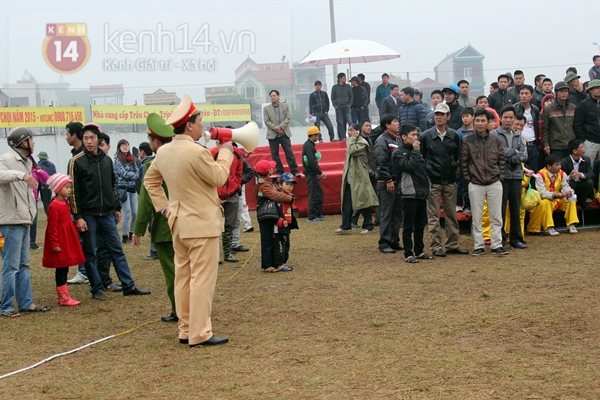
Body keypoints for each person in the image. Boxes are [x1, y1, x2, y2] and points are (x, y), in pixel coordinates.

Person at [145, 94, 232, 347]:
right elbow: (219, 177)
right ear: (190, 125)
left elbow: (150, 182)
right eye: (200, 121)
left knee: (183, 277)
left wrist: (166, 209)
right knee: (202, 280)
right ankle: (200, 333)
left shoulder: (163, 152)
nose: (203, 126)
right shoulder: (197, 152)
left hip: (179, 224)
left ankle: (185, 330)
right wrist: (226, 153)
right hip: (202, 225)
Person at [71, 123, 151, 300]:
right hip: (88, 215)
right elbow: (73, 191)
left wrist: (116, 207)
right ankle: (96, 288)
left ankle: (128, 285)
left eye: (92, 138)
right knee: (91, 253)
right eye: (85, 138)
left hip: (107, 214)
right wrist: (78, 216)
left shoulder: (106, 160)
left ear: (99, 139)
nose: (89, 142)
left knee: (117, 251)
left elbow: (112, 184)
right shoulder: (76, 161)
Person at [132, 113, 178, 323]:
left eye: (150, 140)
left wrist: (138, 229)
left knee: (172, 272)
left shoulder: (151, 165)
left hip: (165, 227)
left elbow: (146, 200)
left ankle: (179, 310)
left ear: (156, 142)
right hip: (189, 223)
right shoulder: (184, 158)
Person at [0, 127, 50, 317]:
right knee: (11, 265)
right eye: (31, 139)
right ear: (23, 142)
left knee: (24, 264)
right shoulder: (6, 159)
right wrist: (21, 175)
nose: (34, 142)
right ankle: (6, 307)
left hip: (23, 219)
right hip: (11, 220)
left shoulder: (27, 161)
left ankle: (25, 302)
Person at [420, 103, 468, 257]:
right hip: (432, 181)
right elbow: (422, 157)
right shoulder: (426, 135)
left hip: (450, 179)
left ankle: (452, 245)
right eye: (436, 114)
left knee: (451, 214)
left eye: (442, 114)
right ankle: (436, 246)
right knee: (433, 215)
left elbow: (457, 155)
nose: (438, 117)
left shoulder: (454, 135)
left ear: (448, 117)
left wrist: (454, 166)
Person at [460, 109, 508, 256]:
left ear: (489, 122)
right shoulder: (467, 140)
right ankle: (478, 245)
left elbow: (502, 160)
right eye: (478, 121)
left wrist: (500, 177)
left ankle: (497, 244)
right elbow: (463, 163)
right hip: (475, 183)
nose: (480, 123)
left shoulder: (496, 140)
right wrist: (469, 180)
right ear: (474, 121)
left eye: (483, 121)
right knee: (477, 216)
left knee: (496, 216)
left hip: (494, 182)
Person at [42, 173, 85, 306]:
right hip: (60, 240)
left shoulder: (65, 202)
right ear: (58, 189)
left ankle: (64, 296)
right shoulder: (54, 205)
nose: (69, 190)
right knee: (61, 267)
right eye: (66, 187)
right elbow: (52, 226)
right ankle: (63, 297)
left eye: (69, 187)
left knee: (64, 267)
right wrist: (55, 243)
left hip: (66, 238)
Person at [392, 124, 432, 263]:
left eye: (417, 135)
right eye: (413, 135)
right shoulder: (398, 153)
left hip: (421, 191)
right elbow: (409, 166)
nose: (416, 138)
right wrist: (415, 152)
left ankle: (419, 251)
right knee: (408, 224)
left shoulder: (418, 151)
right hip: (409, 192)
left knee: (421, 223)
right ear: (404, 137)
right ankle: (408, 253)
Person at [491, 106, 528, 249]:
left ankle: (516, 239)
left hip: (517, 176)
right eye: (505, 117)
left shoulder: (519, 136)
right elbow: (496, 153)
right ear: (500, 118)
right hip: (501, 176)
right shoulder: (494, 134)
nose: (508, 120)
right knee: (499, 209)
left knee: (516, 209)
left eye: (511, 117)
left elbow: (524, 155)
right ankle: (500, 240)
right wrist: (513, 152)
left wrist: (509, 157)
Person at [253, 160, 295, 273]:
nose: (273, 168)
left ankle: (272, 262)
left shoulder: (268, 183)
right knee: (267, 239)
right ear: (269, 170)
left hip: (269, 214)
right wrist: (290, 198)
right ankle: (268, 265)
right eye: (271, 167)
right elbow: (276, 196)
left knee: (272, 238)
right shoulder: (264, 185)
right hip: (267, 215)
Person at [336, 123, 379, 234]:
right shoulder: (353, 142)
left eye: (351, 130)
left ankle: (368, 225)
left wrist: (352, 139)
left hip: (360, 177)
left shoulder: (362, 143)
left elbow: (353, 150)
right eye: (348, 130)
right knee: (347, 202)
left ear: (357, 131)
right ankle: (345, 225)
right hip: (351, 178)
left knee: (363, 202)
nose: (349, 132)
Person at [526, 154, 578, 235]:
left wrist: (568, 192)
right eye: (556, 165)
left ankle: (571, 225)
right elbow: (542, 193)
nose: (559, 167)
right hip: (546, 199)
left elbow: (566, 186)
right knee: (545, 202)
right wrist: (555, 195)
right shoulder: (540, 175)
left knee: (571, 198)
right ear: (549, 166)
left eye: (560, 164)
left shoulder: (562, 173)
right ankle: (549, 228)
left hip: (558, 198)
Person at [374, 114, 404, 254]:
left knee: (397, 213)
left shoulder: (397, 139)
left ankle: (394, 240)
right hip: (386, 183)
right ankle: (384, 242)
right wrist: (388, 180)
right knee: (386, 213)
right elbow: (381, 163)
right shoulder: (382, 141)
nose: (398, 123)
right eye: (394, 121)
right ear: (387, 125)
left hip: (398, 181)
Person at [210, 139, 243, 263]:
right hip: (215, 194)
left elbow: (239, 172)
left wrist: (237, 185)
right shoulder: (212, 152)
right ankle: (215, 255)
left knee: (230, 224)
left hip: (232, 192)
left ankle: (228, 253)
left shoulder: (237, 153)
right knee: (214, 225)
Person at [64, 121, 89, 285]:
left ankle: (85, 272)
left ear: (74, 135)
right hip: (79, 205)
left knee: (86, 241)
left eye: (67, 134)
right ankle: (84, 271)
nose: (66, 137)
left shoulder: (84, 157)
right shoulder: (75, 156)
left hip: (86, 206)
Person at [263, 90, 300, 176]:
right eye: (271, 96)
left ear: (278, 96)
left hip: (284, 133)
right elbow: (266, 121)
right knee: (275, 155)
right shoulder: (266, 108)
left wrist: (280, 127)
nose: (272, 97)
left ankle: (294, 170)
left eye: (274, 95)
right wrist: (275, 128)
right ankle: (279, 171)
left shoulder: (285, 106)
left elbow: (288, 118)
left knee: (289, 153)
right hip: (272, 135)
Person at [114, 139, 139, 244]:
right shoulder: (117, 159)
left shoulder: (132, 158)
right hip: (123, 189)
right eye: (123, 145)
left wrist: (130, 175)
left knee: (135, 213)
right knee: (127, 212)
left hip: (132, 189)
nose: (125, 147)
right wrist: (131, 175)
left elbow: (137, 172)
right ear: (119, 147)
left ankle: (131, 233)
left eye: (127, 145)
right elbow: (122, 173)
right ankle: (124, 236)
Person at [542, 81, 576, 159]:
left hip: (571, 144)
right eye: (561, 91)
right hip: (556, 145)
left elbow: (576, 126)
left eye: (566, 91)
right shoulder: (549, 109)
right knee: (557, 169)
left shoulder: (573, 107)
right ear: (556, 92)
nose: (564, 93)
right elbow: (545, 129)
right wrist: (546, 144)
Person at [273, 172, 298, 272]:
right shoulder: (278, 197)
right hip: (279, 225)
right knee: (279, 243)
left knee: (286, 244)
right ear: (280, 185)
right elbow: (274, 212)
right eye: (287, 184)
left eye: (291, 185)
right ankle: (279, 264)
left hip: (287, 225)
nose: (289, 187)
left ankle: (283, 261)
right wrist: (279, 222)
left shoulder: (290, 196)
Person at [561, 139, 595, 210]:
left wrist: (581, 175)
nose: (584, 149)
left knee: (589, 182)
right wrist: (569, 177)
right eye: (581, 147)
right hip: (571, 185)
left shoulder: (586, 159)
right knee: (569, 183)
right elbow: (560, 179)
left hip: (582, 184)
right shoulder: (564, 162)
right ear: (575, 151)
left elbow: (591, 174)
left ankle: (583, 201)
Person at [514, 85, 541, 171]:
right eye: (522, 93)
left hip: (532, 144)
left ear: (531, 95)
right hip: (519, 144)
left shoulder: (535, 109)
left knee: (533, 171)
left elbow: (537, 126)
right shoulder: (514, 108)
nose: (524, 96)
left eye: (526, 93)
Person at [302, 126, 326, 222]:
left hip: (313, 173)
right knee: (313, 194)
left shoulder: (310, 145)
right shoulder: (308, 146)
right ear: (313, 135)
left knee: (319, 193)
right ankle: (311, 216)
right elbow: (312, 162)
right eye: (317, 135)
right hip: (311, 174)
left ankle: (318, 213)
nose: (318, 137)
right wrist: (320, 172)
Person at [574, 79, 600, 163]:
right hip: (590, 141)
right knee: (587, 167)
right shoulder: (583, 104)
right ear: (590, 90)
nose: (599, 89)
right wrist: (583, 140)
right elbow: (577, 124)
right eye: (596, 88)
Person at [456, 107, 475, 214]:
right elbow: (458, 150)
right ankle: (460, 204)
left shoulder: (478, 131)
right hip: (463, 163)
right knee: (461, 185)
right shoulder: (459, 132)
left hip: (475, 164)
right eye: (463, 117)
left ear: (473, 117)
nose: (465, 119)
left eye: (467, 116)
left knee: (471, 186)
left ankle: (469, 205)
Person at [29, 158, 50, 250]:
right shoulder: (21, 172)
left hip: (34, 199)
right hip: (24, 200)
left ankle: (32, 242)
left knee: (34, 222)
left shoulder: (35, 172)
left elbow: (47, 180)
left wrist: (40, 171)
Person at [331, 72, 353, 140]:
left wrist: (350, 104)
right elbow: (332, 97)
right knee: (340, 122)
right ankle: (343, 137)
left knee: (350, 121)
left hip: (346, 106)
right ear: (340, 78)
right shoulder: (334, 87)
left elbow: (351, 96)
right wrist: (335, 105)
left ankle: (352, 135)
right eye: (344, 77)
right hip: (339, 107)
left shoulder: (348, 86)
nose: (345, 79)